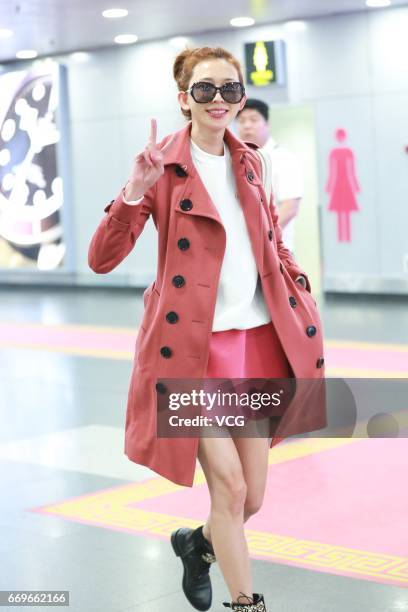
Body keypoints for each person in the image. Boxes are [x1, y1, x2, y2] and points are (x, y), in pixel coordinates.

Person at [88, 46, 325, 612]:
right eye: (204, 90)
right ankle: (246, 604)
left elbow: (269, 240)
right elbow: (102, 258)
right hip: (189, 354)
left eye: (229, 89)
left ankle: (197, 544)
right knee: (231, 488)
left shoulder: (251, 162)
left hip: (255, 346)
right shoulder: (162, 165)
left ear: (240, 97)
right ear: (183, 99)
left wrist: (296, 283)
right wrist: (133, 190)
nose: (218, 100)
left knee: (255, 498)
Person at [236, 98, 304, 254]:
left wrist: (262, 236)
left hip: (276, 250)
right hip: (245, 253)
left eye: (253, 120)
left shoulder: (284, 158)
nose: (247, 125)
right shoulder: (236, 159)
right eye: (241, 121)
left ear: (267, 124)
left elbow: (290, 207)